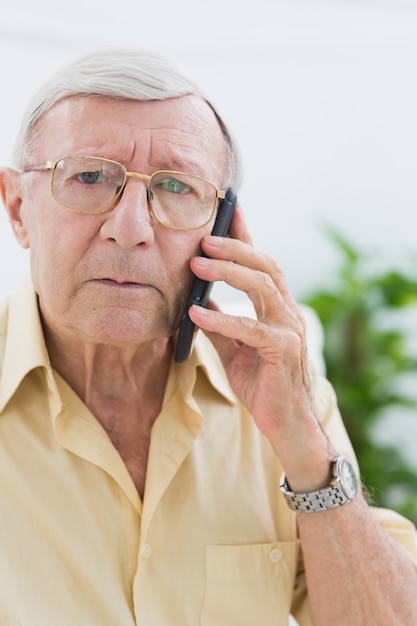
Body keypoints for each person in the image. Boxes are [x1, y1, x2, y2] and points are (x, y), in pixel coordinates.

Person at [0, 47, 416, 626]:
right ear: (19, 207)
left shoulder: (282, 393)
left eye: (175, 187)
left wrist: (302, 442)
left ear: (221, 229)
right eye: (90, 176)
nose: (131, 229)